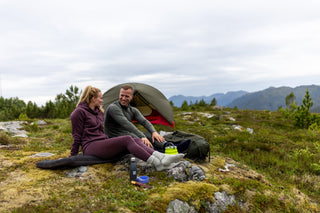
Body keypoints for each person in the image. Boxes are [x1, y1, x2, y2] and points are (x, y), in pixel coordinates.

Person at [69, 85, 184, 171]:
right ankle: (157, 163)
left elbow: (143, 121)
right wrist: (72, 158)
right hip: (90, 146)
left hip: (102, 142)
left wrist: (151, 132)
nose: (102, 100)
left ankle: (163, 157)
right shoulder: (78, 113)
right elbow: (77, 137)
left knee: (136, 139)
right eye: (100, 98)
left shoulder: (98, 111)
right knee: (128, 138)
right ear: (93, 98)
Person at [104, 84, 191, 152]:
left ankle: (170, 147)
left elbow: (144, 121)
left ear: (132, 97)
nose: (123, 98)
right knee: (136, 137)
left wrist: (154, 132)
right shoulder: (113, 108)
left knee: (150, 135)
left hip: (126, 133)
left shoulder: (132, 110)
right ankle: (158, 152)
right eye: (122, 95)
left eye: (127, 96)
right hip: (114, 136)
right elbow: (127, 124)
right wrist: (141, 136)